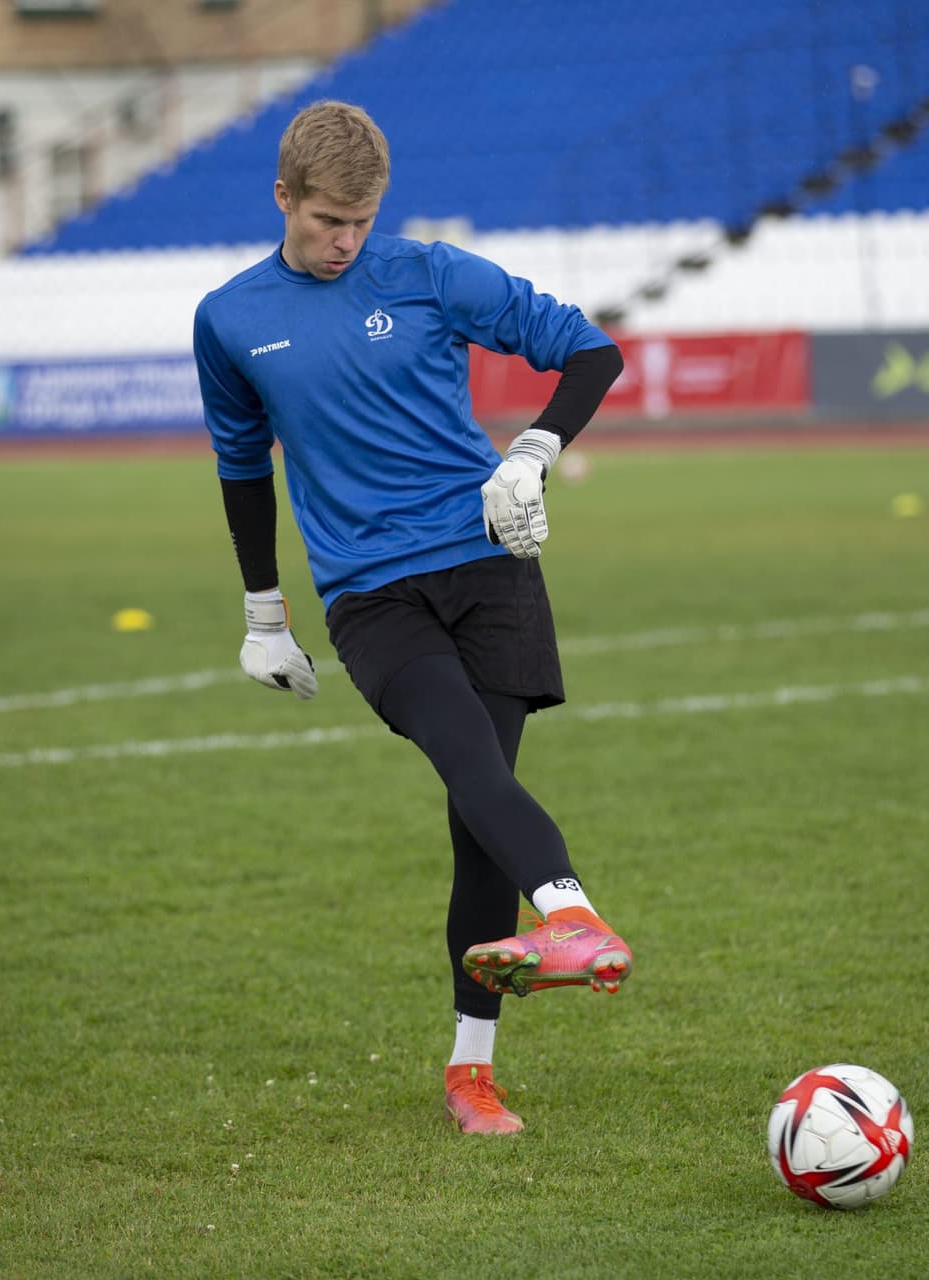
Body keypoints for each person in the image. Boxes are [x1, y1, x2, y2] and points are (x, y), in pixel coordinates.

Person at [193, 101, 630, 1136]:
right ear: (283, 198)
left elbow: (592, 356)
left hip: (489, 567)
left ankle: (470, 1072)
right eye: (328, 221)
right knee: (468, 758)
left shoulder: (431, 273)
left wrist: (531, 452)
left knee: (479, 824)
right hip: (371, 593)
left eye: (362, 221)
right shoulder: (230, 316)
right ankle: (576, 918)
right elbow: (241, 467)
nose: (346, 241)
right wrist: (265, 612)